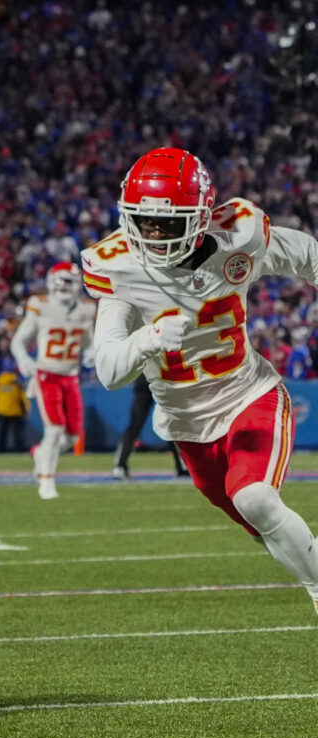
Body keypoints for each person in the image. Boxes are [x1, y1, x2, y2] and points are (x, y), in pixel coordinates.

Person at [88, 146, 318, 618]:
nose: (153, 234)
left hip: (249, 394)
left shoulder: (239, 236)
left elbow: (306, 255)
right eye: (143, 221)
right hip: (185, 427)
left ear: (201, 215)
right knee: (260, 524)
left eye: (168, 223)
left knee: (255, 497)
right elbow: (110, 370)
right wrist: (149, 338)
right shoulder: (121, 268)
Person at [10, 262, 96, 499]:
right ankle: (46, 481)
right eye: (62, 280)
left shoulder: (86, 310)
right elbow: (18, 341)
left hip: (71, 377)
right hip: (47, 374)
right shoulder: (42, 306)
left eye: (70, 281)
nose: (65, 286)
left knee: (72, 436)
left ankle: (41, 453)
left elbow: (88, 343)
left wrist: (91, 353)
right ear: (52, 280)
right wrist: (23, 358)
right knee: (55, 429)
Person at [112, 374, 189, 480]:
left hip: (149, 379)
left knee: (136, 425)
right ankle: (182, 466)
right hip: (160, 380)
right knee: (170, 425)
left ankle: (120, 466)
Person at [0, 369, 29, 452]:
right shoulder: (17, 384)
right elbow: (23, 399)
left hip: (2, 411)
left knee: (2, 433)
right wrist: (26, 410)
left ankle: (0, 449)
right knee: (18, 433)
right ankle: (18, 449)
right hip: (16, 411)